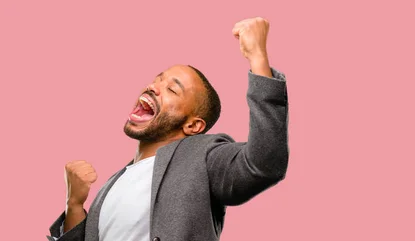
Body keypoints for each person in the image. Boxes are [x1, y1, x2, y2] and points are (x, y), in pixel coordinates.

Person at [47, 17, 289, 241]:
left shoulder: (203, 156)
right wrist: (75, 205)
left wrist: (258, 58)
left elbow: (263, 164)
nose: (153, 86)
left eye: (172, 89)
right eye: (157, 79)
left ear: (193, 125)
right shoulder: (111, 185)